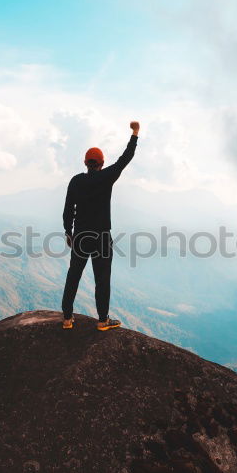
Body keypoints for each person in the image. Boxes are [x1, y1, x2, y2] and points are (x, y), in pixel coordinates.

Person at [61, 121, 140, 330]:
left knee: (73, 275)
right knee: (102, 279)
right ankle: (103, 321)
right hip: (102, 237)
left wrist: (68, 232)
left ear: (85, 162)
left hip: (80, 236)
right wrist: (135, 133)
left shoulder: (76, 181)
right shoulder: (107, 177)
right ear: (102, 163)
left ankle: (67, 319)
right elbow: (125, 159)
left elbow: (68, 209)